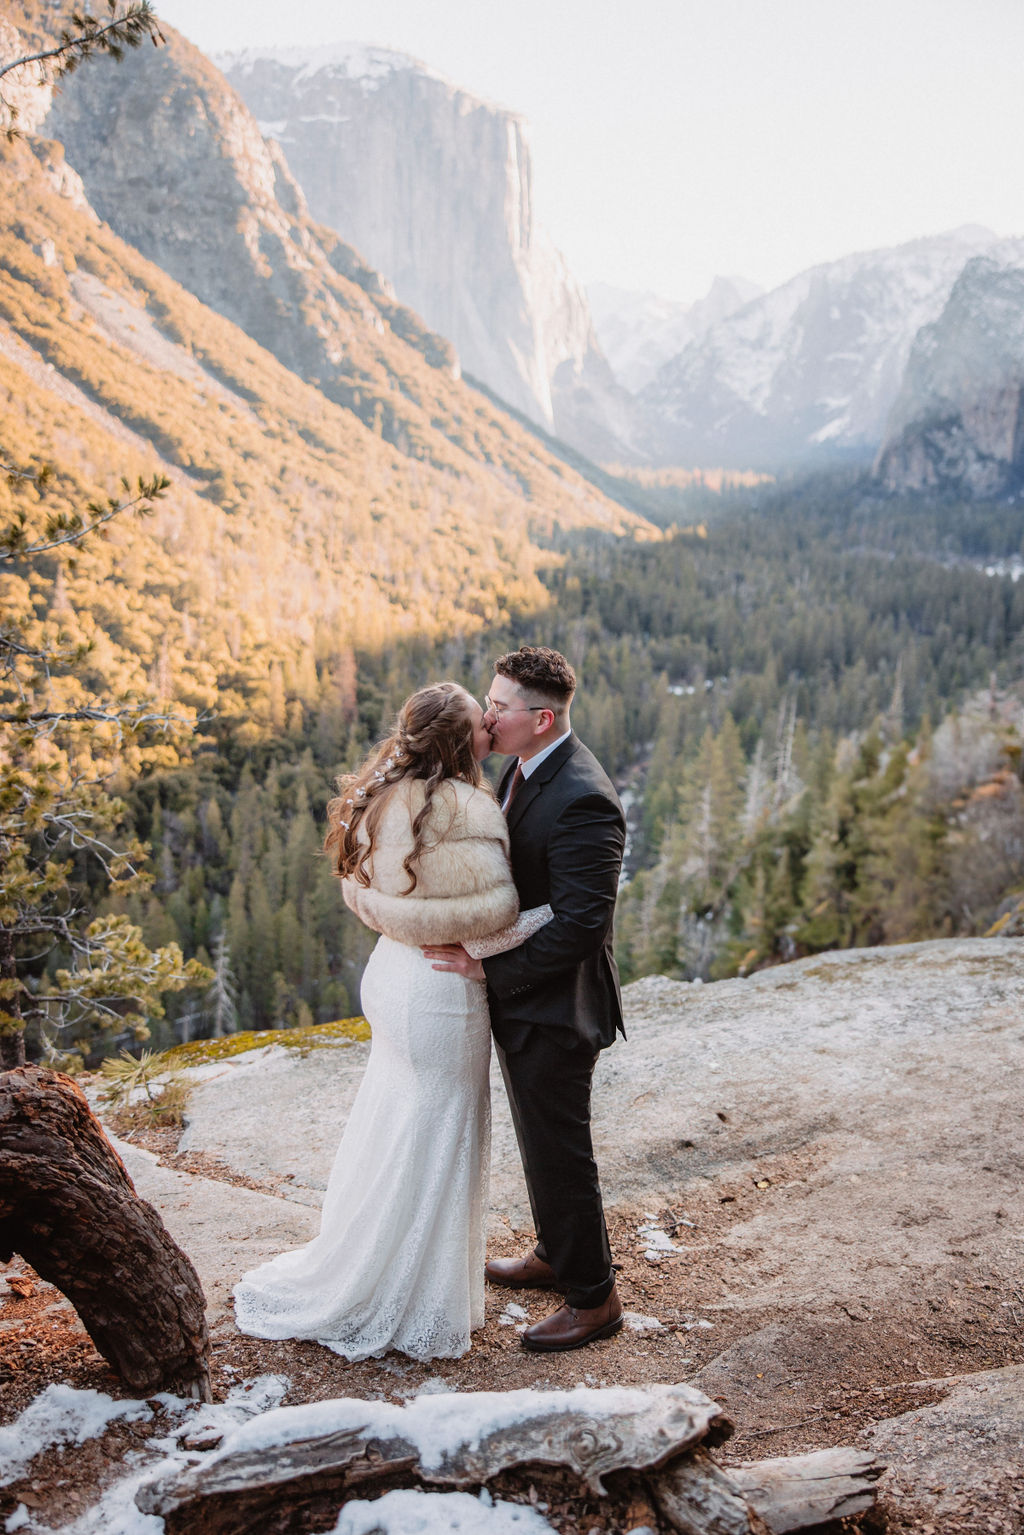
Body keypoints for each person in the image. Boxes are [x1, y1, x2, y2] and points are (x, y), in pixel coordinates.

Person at [233, 681, 519, 1362]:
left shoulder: (381, 792)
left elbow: (362, 888)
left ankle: (377, 1260)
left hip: (392, 972)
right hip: (440, 986)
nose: (491, 730)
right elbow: (494, 910)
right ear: (459, 742)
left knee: (394, 1113)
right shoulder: (463, 809)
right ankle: (415, 1293)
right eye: (482, 723)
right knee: (441, 1123)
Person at [424, 646, 626, 1352]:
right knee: (541, 1143)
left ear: (542, 719)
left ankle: (594, 1297)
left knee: (562, 1149)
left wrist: (487, 973)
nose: (487, 713)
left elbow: (581, 925)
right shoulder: (525, 765)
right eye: (489, 698)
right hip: (527, 998)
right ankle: (556, 1251)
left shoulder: (586, 797)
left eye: (500, 705)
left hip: (558, 1006)